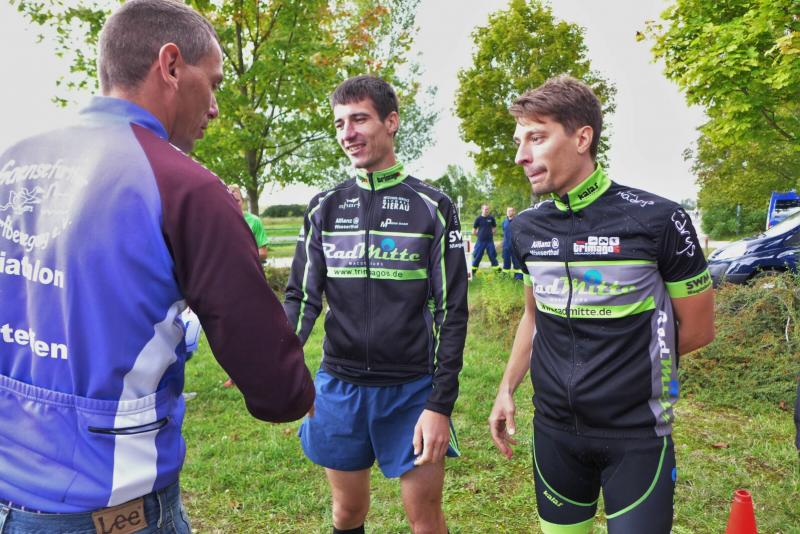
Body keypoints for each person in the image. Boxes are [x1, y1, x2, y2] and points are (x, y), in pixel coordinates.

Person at [0, 1, 314, 531]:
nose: (214, 108)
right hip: (112, 506)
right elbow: (275, 386)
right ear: (170, 65)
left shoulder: (13, 161)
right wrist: (299, 391)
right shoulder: (186, 187)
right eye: (213, 83)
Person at [488, 75, 715, 534]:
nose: (521, 156)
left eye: (536, 138)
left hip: (636, 434)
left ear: (582, 138)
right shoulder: (527, 229)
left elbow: (697, 329)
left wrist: (624, 374)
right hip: (554, 431)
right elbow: (533, 316)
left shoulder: (659, 219)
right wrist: (506, 387)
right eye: (518, 142)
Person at [284, 75, 468, 534]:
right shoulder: (324, 207)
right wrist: (274, 359)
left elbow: (452, 312)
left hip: (412, 391)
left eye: (359, 119)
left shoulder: (433, 206)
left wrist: (440, 404)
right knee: (347, 513)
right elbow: (302, 298)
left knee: (425, 520)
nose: (348, 133)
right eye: (339, 123)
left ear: (391, 122)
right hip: (339, 387)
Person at [228, 184, 268, 262]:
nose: (234, 204)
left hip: (249, 268)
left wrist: (241, 257)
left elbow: (263, 253)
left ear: (242, 201)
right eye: (231, 200)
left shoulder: (254, 221)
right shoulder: (221, 221)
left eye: (237, 201)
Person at [471, 203, 500, 274]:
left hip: (490, 241)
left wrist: (491, 233)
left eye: (488, 209)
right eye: (485, 209)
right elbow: (473, 231)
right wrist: (480, 235)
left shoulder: (491, 218)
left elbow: (494, 228)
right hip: (480, 242)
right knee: (477, 256)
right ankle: (472, 272)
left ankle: (497, 272)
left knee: (492, 256)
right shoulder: (478, 219)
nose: (487, 210)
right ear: (482, 209)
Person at [501, 206, 523, 280]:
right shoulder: (504, 222)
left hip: (515, 246)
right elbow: (504, 232)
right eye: (508, 211)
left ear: (514, 212)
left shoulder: (518, 221)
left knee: (516, 262)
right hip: (506, 246)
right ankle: (505, 277)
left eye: (510, 211)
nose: (509, 212)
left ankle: (518, 277)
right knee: (506, 262)